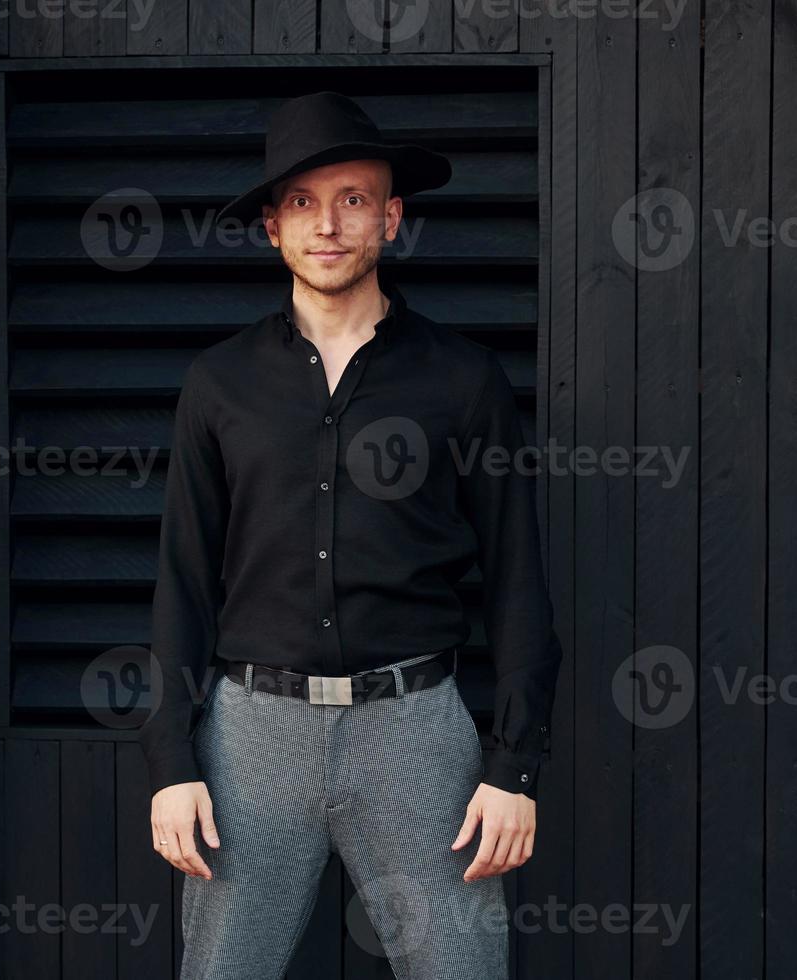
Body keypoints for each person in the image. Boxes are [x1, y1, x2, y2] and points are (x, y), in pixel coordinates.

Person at [136, 90, 564, 979]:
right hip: (251, 738)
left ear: (392, 216)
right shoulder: (219, 386)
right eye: (301, 202)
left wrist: (514, 763)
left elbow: (518, 577)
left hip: (416, 730)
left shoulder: (463, 379)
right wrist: (171, 758)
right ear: (270, 228)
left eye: (354, 198)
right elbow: (183, 581)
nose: (327, 223)